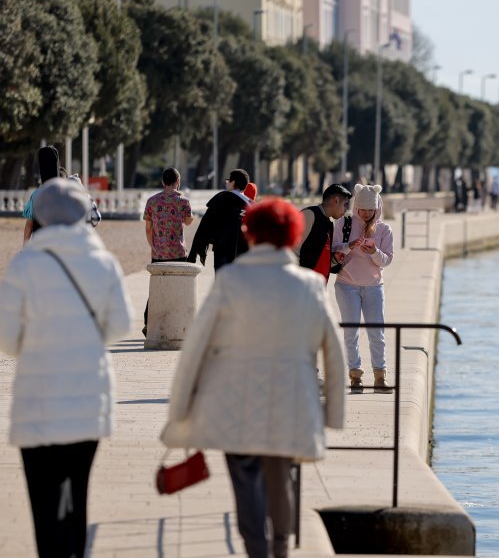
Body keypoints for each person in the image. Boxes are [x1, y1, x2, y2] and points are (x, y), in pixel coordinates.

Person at [161, 198, 345, 558]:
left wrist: (179, 411)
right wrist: (333, 414)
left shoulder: (230, 281)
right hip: (291, 403)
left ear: (251, 232)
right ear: (292, 234)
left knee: (246, 486)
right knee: (282, 482)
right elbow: (334, 353)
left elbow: (195, 348)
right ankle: (280, 550)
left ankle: (256, 551)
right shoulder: (309, 285)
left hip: (236, 403)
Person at [0, 178, 133, 558]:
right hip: (87, 401)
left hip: (37, 404)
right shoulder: (103, 261)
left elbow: (7, 340)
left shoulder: (24, 263)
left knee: (43, 505)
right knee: (76, 498)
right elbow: (121, 325)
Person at [332, 184, 394, 393]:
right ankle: (355, 375)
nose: (366, 214)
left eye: (371, 210)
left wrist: (374, 251)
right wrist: (349, 246)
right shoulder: (343, 224)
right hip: (346, 285)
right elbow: (333, 248)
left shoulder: (384, 229)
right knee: (351, 332)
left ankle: (380, 375)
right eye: (363, 209)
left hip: (374, 287)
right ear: (356, 207)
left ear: (377, 208)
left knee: (377, 332)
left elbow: (386, 260)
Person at [142, 167, 193, 335]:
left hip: (158, 252)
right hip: (178, 251)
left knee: (156, 288)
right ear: (178, 182)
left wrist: (153, 246)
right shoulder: (183, 201)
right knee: (178, 287)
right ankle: (178, 322)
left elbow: (148, 229)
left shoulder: (152, 201)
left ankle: (149, 322)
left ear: (163, 182)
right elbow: (188, 222)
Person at [188, 169, 251, 271]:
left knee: (222, 283)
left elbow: (205, 224)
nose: (226, 182)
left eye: (228, 180)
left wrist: (194, 252)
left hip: (223, 252)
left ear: (233, 182)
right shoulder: (250, 205)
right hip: (244, 254)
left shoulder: (221, 198)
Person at [295, 183, 352, 283]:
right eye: (346, 204)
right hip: (302, 286)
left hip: (317, 287)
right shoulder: (309, 215)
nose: (346, 210)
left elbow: (320, 259)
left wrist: (334, 259)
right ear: (336, 200)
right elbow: (292, 250)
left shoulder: (329, 224)